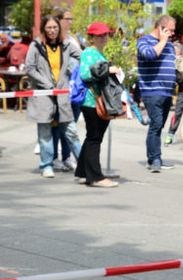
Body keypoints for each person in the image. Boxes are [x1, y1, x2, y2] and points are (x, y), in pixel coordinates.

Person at [25, 15, 81, 179]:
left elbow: (82, 56)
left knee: (70, 131)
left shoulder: (66, 44)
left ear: (59, 28)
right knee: (45, 133)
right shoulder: (36, 45)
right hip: (44, 95)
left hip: (62, 95)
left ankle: (85, 164)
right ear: (44, 29)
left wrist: (70, 72)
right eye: (49, 27)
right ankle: (46, 165)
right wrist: (46, 83)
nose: (52, 30)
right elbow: (30, 68)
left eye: (55, 27)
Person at [73, 22, 120, 187]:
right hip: (93, 101)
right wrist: (108, 70)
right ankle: (96, 177)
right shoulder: (89, 52)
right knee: (95, 138)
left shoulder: (97, 53)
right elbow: (85, 74)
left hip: (97, 101)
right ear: (91, 37)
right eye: (99, 35)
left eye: (105, 34)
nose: (103, 38)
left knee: (92, 137)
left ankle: (83, 172)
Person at [137, 14, 177, 173]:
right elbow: (150, 55)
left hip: (167, 92)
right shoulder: (144, 41)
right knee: (156, 124)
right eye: (170, 30)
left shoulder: (169, 44)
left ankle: (155, 157)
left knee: (159, 126)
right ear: (161, 27)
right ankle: (154, 159)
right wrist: (162, 40)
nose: (172, 34)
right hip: (152, 90)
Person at [51, 6, 82, 172]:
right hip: (62, 88)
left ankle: (66, 157)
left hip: (76, 88)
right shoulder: (55, 39)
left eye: (71, 19)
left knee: (71, 125)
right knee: (57, 124)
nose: (70, 22)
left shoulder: (72, 38)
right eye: (67, 19)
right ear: (59, 20)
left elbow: (80, 56)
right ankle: (55, 157)